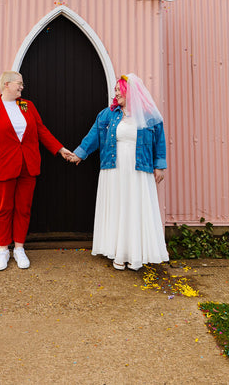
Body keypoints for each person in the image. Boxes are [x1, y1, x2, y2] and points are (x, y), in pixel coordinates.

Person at [0, 71, 78, 271]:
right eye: (19, 84)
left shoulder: (26, 105)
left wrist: (59, 149)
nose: (22, 87)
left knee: (24, 207)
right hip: (2, 166)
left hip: (27, 165)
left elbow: (41, 130)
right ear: (6, 84)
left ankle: (19, 248)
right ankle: (4, 249)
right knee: (3, 208)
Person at [71, 73, 169, 270]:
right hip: (114, 169)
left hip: (138, 169)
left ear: (130, 92)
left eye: (119, 91)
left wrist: (159, 165)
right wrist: (79, 154)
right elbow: (94, 136)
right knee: (118, 207)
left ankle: (135, 254)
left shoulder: (149, 116)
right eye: (115, 91)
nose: (116, 95)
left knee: (134, 208)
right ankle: (119, 253)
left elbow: (159, 140)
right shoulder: (108, 114)